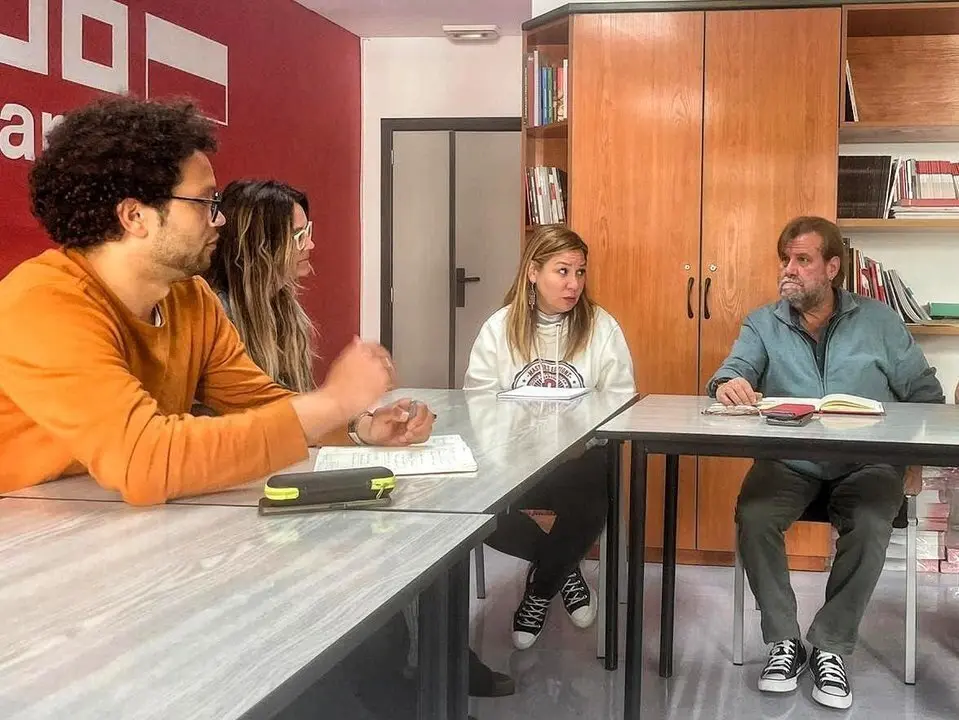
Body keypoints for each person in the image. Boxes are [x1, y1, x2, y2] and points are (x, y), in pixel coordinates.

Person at [0, 96, 434, 504]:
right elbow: (145, 459)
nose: (220, 218)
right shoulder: (41, 306)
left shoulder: (189, 297)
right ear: (135, 216)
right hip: (24, 532)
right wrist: (333, 401)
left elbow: (256, 400)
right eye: (205, 201)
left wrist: (357, 426)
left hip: (103, 516)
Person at [706, 215, 944, 709]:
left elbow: (925, 394)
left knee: (872, 521)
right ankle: (784, 641)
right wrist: (729, 383)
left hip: (868, 462)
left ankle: (830, 645)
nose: (788, 270)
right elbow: (733, 370)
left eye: (802, 260)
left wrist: (914, 461)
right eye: (785, 260)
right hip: (790, 460)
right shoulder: (763, 323)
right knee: (754, 514)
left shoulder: (879, 321)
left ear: (832, 268)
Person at [464, 224, 635, 650]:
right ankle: (564, 566)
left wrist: (581, 428)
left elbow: (621, 398)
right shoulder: (499, 328)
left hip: (581, 457)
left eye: (580, 272)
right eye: (562, 271)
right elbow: (477, 400)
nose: (574, 284)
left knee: (592, 496)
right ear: (533, 272)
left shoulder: (602, 327)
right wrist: (511, 435)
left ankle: (540, 590)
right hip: (513, 456)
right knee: (477, 512)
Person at [204, 179, 317, 392]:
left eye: (307, 232)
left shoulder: (287, 311)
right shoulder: (216, 316)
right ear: (259, 246)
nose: (310, 244)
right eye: (298, 236)